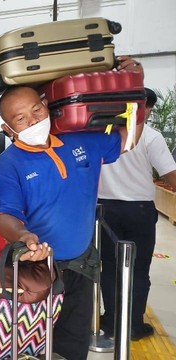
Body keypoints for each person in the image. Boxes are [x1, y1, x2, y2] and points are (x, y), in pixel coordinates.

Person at [0, 57, 141, 360]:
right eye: (21, 119)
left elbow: (127, 139)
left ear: (46, 105)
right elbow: (2, 212)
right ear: (7, 127)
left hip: (81, 267)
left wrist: (137, 89)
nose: (33, 121)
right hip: (37, 271)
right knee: (33, 347)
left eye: (36, 110)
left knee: (74, 344)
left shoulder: (79, 140)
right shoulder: (8, 164)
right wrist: (23, 235)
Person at [98, 87, 176, 340]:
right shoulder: (151, 137)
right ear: (147, 108)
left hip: (104, 209)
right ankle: (133, 325)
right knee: (139, 268)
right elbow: (170, 175)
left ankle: (110, 323)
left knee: (109, 268)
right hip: (138, 210)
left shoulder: (102, 132)